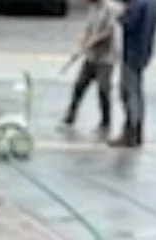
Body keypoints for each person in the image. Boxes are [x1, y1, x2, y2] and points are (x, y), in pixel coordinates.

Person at [59, 0, 119, 141]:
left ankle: (106, 122)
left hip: (106, 56)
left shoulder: (111, 9)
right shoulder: (93, 8)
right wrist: (82, 44)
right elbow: (88, 28)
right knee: (80, 85)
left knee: (103, 89)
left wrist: (93, 41)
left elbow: (110, 31)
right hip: (91, 56)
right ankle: (71, 115)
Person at [114, 0, 156, 149]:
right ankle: (137, 130)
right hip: (144, 51)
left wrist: (121, 16)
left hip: (132, 51)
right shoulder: (153, 3)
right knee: (137, 92)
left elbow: (128, 24)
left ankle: (131, 131)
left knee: (127, 92)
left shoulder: (137, 5)